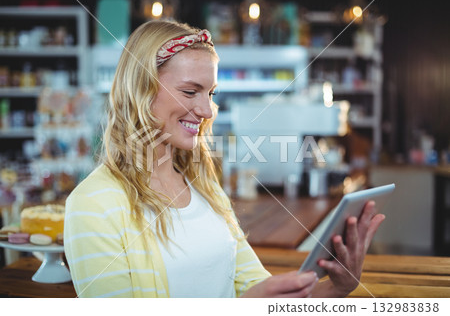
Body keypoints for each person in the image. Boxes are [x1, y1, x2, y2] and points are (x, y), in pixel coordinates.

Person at [64, 20, 384, 298]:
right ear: (141, 91)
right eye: (190, 92)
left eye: (211, 93)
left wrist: (336, 288)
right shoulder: (92, 204)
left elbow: (257, 288)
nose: (206, 111)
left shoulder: (205, 188)